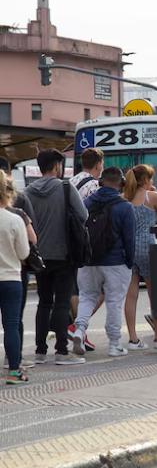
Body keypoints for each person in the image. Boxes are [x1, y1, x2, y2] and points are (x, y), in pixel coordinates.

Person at [26, 149, 87, 365]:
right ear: (56, 166)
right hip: (64, 254)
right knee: (61, 303)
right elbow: (83, 215)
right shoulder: (65, 187)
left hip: (39, 256)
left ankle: (40, 351)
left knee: (44, 302)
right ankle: (61, 351)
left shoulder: (28, 191)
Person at [71, 167, 135, 358]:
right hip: (115, 262)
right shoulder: (125, 207)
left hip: (88, 261)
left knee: (87, 297)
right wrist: (129, 262)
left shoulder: (86, 203)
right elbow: (129, 239)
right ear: (121, 183)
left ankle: (79, 329)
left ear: (100, 182)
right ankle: (114, 344)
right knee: (114, 302)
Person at [123, 164, 157, 349]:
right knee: (154, 294)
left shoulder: (123, 198)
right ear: (145, 180)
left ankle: (133, 339)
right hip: (148, 247)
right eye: (150, 178)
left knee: (131, 295)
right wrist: (154, 193)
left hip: (129, 249)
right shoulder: (152, 196)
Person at [67, 147, 105, 353]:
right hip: (86, 242)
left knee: (75, 287)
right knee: (97, 289)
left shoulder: (70, 182)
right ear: (98, 164)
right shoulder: (94, 186)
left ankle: (79, 332)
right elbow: (94, 217)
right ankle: (78, 327)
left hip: (68, 240)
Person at [0, 158, 36, 370]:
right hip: (11, 278)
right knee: (12, 325)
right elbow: (24, 252)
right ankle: (14, 370)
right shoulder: (15, 219)